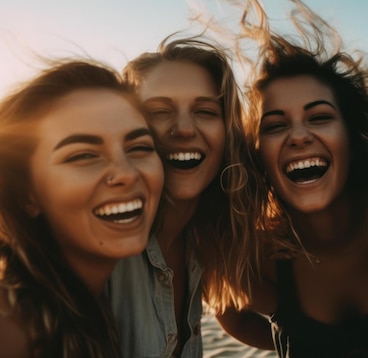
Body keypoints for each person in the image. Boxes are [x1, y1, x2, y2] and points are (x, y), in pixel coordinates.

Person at [214, 0, 368, 356]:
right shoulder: (261, 256)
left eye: (319, 117)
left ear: (352, 141)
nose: (298, 136)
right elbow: (229, 312)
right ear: (259, 157)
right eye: (276, 125)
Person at [0, 60, 164, 357]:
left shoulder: (82, 303)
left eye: (139, 147)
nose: (126, 173)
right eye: (84, 155)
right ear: (27, 195)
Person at [106, 34, 260, 358]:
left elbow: (233, 315)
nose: (185, 128)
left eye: (204, 111)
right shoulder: (105, 247)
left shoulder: (201, 243)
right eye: (160, 111)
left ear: (227, 132)